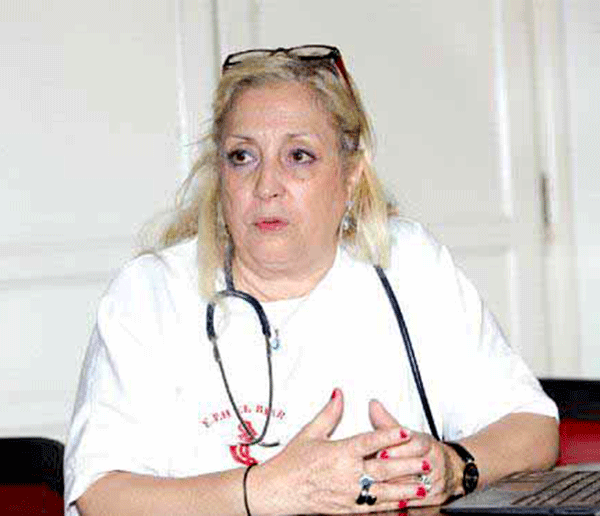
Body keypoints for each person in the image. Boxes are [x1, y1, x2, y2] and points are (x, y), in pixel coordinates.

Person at [64, 45, 559, 516]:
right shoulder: (151, 293)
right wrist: (269, 490)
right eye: (242, 157)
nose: (266, 186)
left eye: (298, 156)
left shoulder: (407, 264)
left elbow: (532, 428)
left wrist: (453, 467)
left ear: (350, 174)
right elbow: (101, 496)